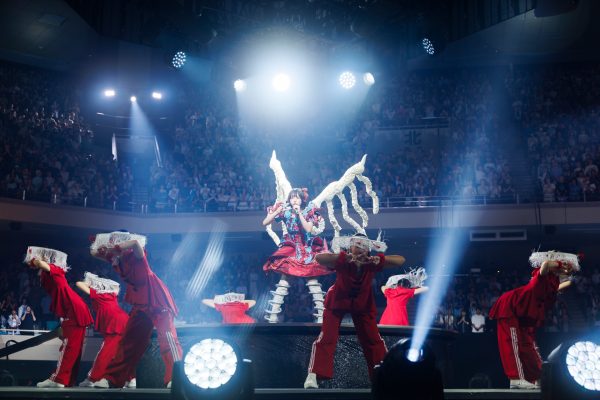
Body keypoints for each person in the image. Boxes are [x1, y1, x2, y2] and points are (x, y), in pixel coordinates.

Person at [304, 233, 406, 389]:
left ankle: (384, 376)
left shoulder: (372, 263)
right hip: (337, 301)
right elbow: (319, 258)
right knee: (327, 337)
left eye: (364, 246)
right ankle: (313, 375)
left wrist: (380, 259)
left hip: (362, 303)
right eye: (357, 245)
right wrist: (343, 257)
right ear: (350, 248)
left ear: (368, 250)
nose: (360, 249)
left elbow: (401, 260)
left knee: (373, 340)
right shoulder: (343, 259)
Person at [89, 231, 182, 389]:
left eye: (116, 240)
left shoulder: (136, 255)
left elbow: (136, 243)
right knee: (128, 341)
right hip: (140, 301)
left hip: (157, 300)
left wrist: (116, 246)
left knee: (168, 339)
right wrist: (101, 243)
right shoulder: (117, 258)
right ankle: (112, 379)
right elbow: (94, 253)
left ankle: (176, 377)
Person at [489, 251, 579, 389]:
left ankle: (536, 377)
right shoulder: (541, 276)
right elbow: (546, 264)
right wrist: (561, 263)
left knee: (529, 347)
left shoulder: (552, 285)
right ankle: (516, 379)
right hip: (511, 308)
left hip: (525, 315)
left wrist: (569, 268)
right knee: (513, 343)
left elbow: (568, 283)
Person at [24, 246, 93, 388]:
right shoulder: (50, 271)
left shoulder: (56, 269)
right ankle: (66, 380)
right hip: (74, 308)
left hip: (74, 309)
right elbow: (40, 267)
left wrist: (35, 257)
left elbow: (40, 264)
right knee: (73, 348)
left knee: (68, 347)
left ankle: (58, 379)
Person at [262, 188, 331, 323]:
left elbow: (308, 229)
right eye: (292, 197)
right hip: (292, 249)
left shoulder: (309, 212)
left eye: (297, 197)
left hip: (307, 250)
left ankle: (322, 318)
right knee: (284, 280)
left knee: (312, 281)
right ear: (289, 199)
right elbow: (265, 222)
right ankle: (273, 317)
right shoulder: (285, 212)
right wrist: (276, 211)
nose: (294, 200)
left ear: (301, 200)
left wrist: (299, 213)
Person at [75, 273, 135, 388]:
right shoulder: (112, 293)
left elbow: (79, 284)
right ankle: (131, 379)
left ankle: (92, 378)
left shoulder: (99, 294)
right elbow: (115, 287)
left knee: (105, 353)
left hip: (115, 324)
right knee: (121, 353)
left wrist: (91, 281)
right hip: (123, 321)